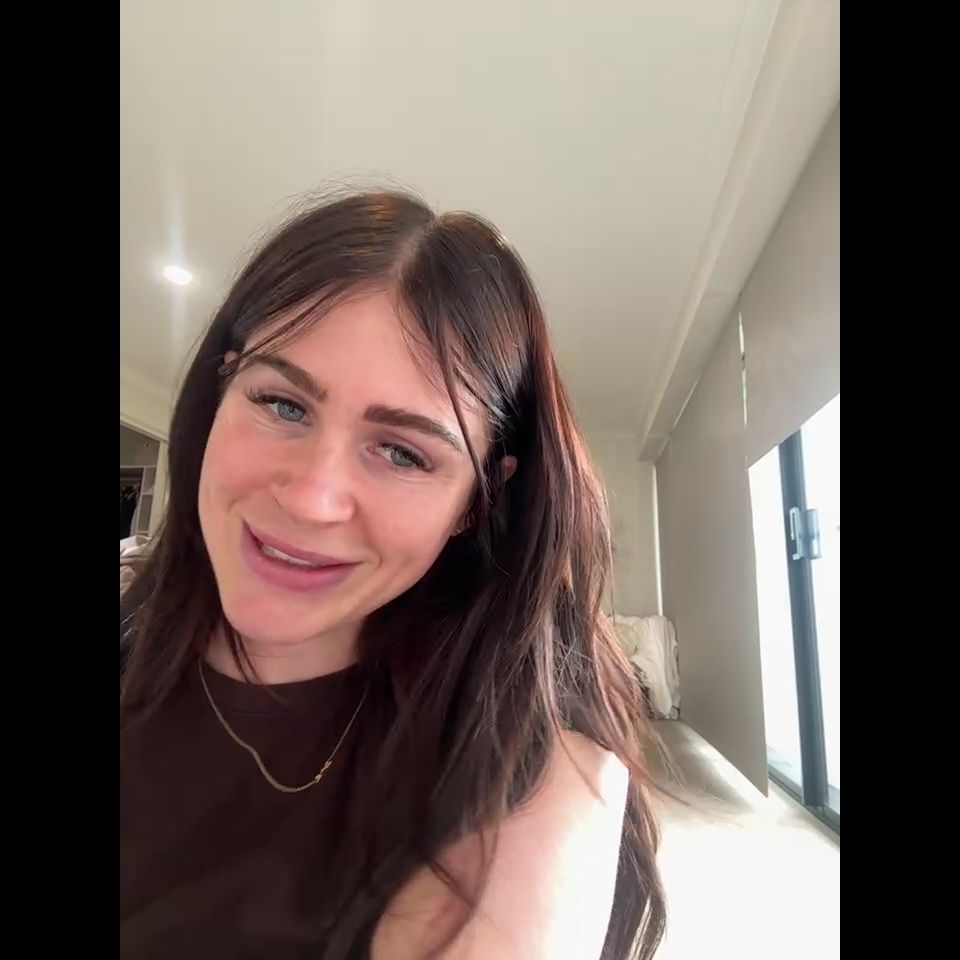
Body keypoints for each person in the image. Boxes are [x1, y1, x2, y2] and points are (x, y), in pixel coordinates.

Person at [120, 191, 666, 959]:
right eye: (282, 404)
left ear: (477, 500)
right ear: (221, 391)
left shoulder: (520, 798)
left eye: (404, 452)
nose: (311, 499)